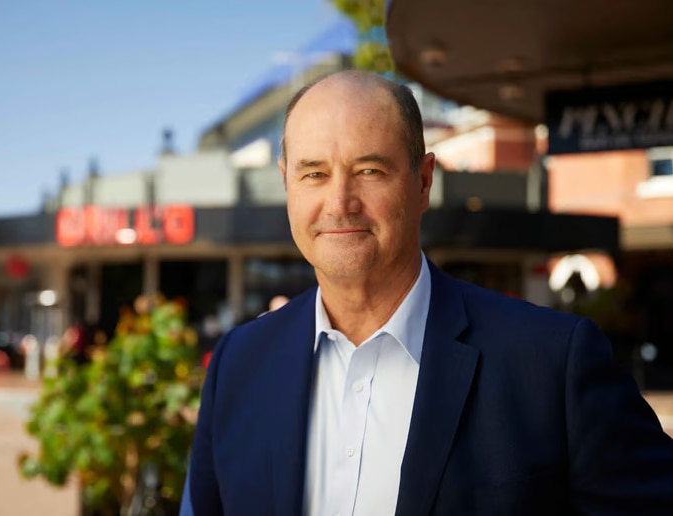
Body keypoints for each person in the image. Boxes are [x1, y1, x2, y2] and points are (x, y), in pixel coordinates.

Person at [181, 70, 673, 515]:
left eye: (370, 170)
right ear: (286, 183)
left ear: (423, 181)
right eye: (314, 173)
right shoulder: (237, 365)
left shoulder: (553, 363)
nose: (339, 202)